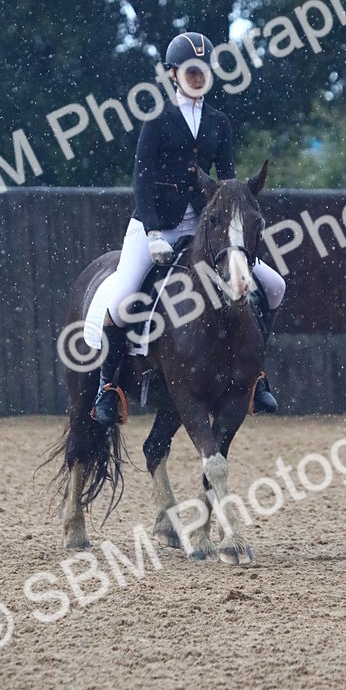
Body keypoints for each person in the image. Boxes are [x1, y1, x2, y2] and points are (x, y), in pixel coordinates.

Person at [91, 31, 286, 427]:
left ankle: (255, 375)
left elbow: (228, 181)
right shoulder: (157, 119)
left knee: (275, 286)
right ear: (173, 74)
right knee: (122, 298)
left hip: (206, 226)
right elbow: (142, 181)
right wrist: (151, 233)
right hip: (155, 224)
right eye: (190, 71)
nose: (197, 77)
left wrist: (238, 219)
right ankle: (108, 388)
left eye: (203, 71)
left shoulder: (220, 122)